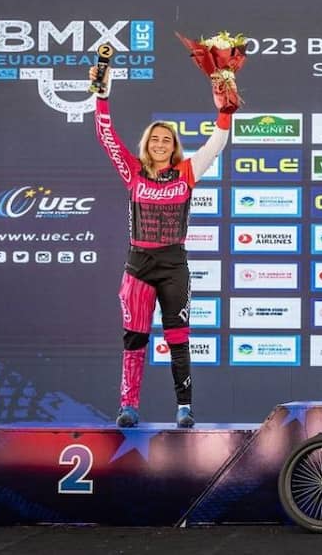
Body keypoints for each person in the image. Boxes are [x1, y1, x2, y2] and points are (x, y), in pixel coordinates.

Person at [89, 65, 234, 428]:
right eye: (155, 139)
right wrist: (102, 96)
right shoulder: (133, 171)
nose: (159, 144)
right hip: (138, 264)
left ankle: (184, 408)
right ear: (146, 144)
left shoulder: (188, 171)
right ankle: (128, 407)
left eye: (166, 140)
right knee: (135, 337)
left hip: (173, 266)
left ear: (174, 147)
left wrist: (224, 110)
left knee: (177, 338)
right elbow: (106, 136)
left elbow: (217, 142)